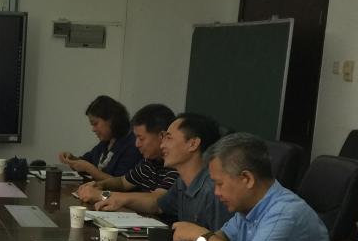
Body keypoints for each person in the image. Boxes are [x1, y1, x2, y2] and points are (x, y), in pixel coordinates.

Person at [171, 132, 335, 241]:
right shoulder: (248, 207)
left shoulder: (287, 213)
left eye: (220, 184)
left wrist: (199, 236)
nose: (216, 192)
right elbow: (222, 239)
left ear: (247, 179)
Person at [94, 112, 230, 232]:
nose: (162, 145)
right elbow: (159, 206)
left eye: (169, 138)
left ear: (193, 144)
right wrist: (120, 199)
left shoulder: (214, 190)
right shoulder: (182, 182)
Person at [74, 103, 177, 206]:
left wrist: (101, 195)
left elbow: (157, 201)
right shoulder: (149, 162)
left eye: (141, 138)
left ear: (162, 136)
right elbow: (123, 182)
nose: (137, 144)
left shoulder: (176, 165)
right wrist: (99, 185)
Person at [58, 95, 139, 181]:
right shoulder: (106, 142)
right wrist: (71, 158)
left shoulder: (132, 145)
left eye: (95, 124)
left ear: (111, 120)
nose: (93, 129)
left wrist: (88, 168)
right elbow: (86, 161)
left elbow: (121, 182)